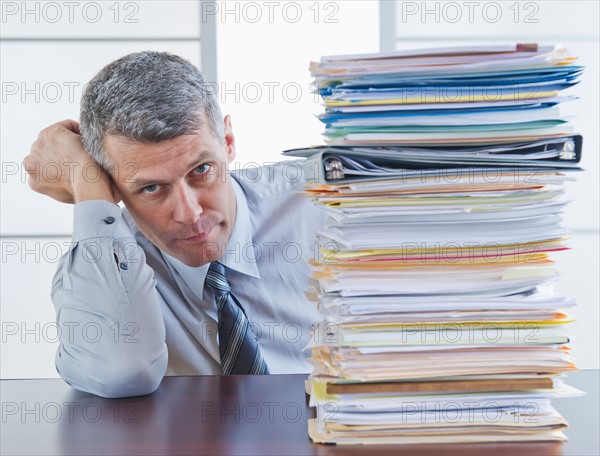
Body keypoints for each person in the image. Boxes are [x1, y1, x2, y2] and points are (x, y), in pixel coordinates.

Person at [24, 51, 325, 398]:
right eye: (151, 188)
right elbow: (120, 372)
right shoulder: (106, 262)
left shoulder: (330, 206)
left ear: (227, 141)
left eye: (201, 170)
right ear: (114, 186)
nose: (189, 213)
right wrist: (87, 187)